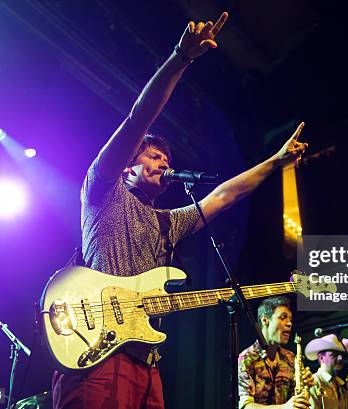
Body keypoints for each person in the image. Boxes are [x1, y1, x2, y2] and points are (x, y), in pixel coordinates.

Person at [52, 11, 308, 409]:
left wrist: (275, 162)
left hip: (145, 364)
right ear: (127, 167)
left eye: (165, 158)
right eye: (153, 156)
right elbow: (140, 118)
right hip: (98, 355)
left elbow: (222, 197)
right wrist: (180, 58)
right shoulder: (103, 190)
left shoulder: (167, 222)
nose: (162, 164)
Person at [238, 296, 314, 409]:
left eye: (290, 319)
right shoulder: (246, 358)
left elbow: (294, 400)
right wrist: (284, 408)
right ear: (265, 320)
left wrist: (305, 386)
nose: (289, 323)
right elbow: (245, 406)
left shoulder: (291, 358)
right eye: (283, 317)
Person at [304, 334, 348, 409]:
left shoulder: (342, 386)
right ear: (321, 357)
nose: (340, 358)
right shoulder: (313, 383)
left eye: (341, 354)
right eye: (334, 355)